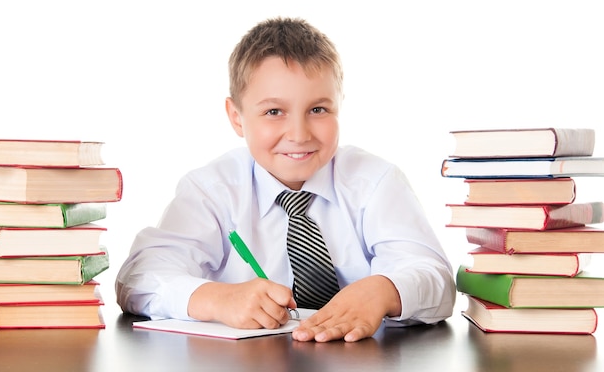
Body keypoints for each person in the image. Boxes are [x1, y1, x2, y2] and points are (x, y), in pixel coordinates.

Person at [115, 17, 456, 342]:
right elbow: (138, 278)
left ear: (340, 105)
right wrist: (216, 298)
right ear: (237, 117)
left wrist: (384, 290)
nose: (298, 134)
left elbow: (435, 277)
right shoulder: (211, 192)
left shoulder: (375, 182)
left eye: (318, 110)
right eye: (274, 112)